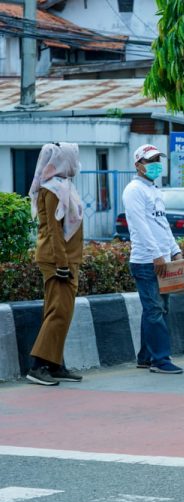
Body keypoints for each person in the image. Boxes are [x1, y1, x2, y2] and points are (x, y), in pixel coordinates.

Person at [25, 143, 85, 386]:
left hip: (68, 258)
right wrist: (61, 263)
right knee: (57, 312)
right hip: (57, 259)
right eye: (73, 157)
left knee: (63, 312)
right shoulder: (52, 189)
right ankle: (38, 366)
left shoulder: (64, 186)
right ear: (63, 160)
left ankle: (55, 364)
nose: (76, 162)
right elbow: (54, 229)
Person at [123, 144, 183, 375]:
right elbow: (140, 225)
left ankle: (146, 357)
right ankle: (160, 360)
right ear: (138, 165)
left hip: (163, 259)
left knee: (158, 309)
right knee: (154, 310)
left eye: (158, 159)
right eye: (151, 160)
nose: (156, 164)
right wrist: (156, 254)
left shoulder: (154, 190)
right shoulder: (134, 190)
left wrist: (174, 250)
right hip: (146, 261)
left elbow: (161, 224)